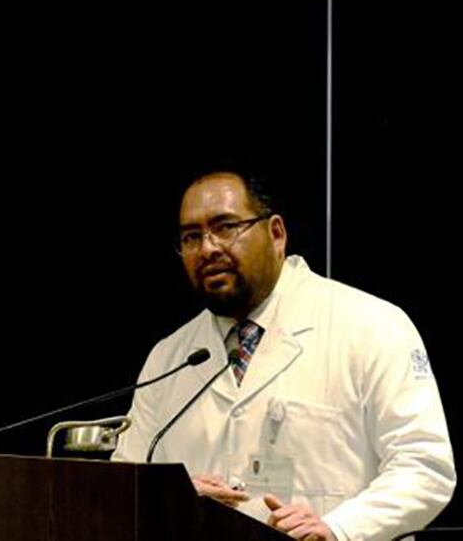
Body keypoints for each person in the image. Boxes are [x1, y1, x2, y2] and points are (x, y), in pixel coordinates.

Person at [112, 169, 455, 540]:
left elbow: (425, 467)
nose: (208, 248)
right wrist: (172, 497)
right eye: (191, 237)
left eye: (226, 227)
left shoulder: (371, 325)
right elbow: (125, 486)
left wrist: (339, 528)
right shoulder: (169, 357)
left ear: (276, 233)